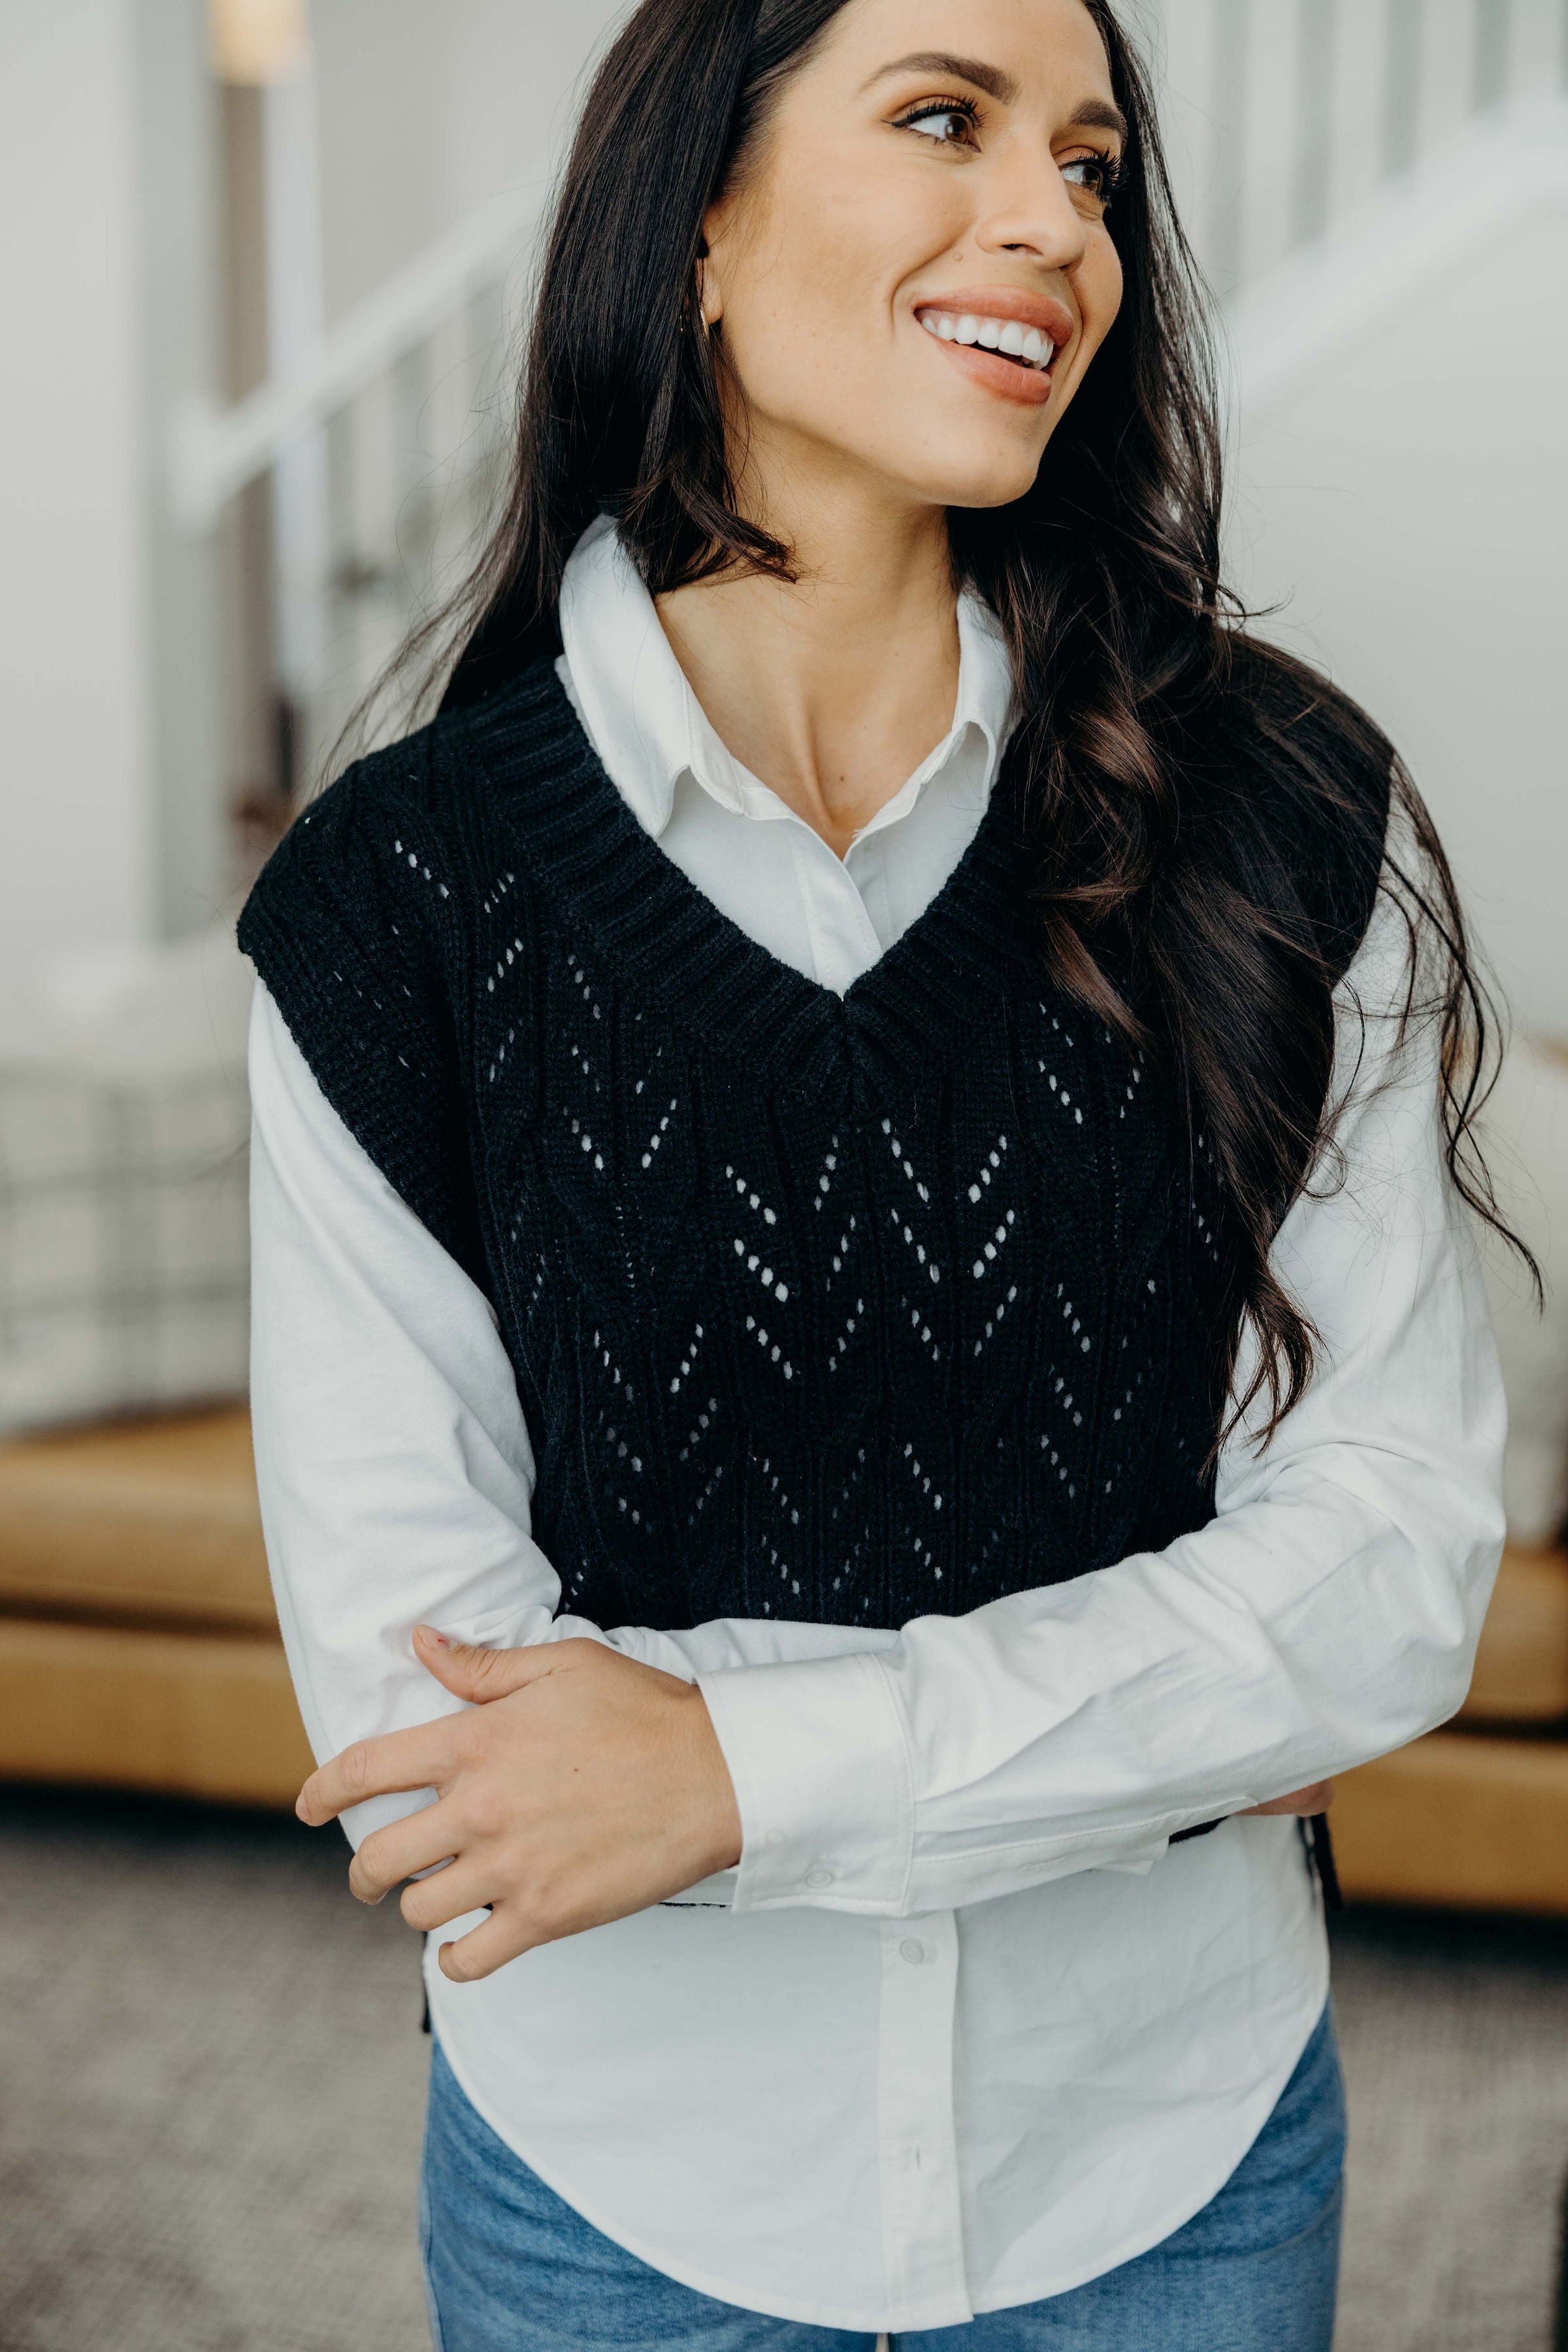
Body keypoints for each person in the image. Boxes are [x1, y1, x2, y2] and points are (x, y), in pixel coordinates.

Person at [237, 2, 1515, 2345]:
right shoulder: (395, 906)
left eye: (1093, 165)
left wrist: (729, 1769)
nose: (1059, 223)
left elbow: (1390, 1566)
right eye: (946, 119)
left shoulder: (1274, 816)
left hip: (1172, 2152)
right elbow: (441, 1736)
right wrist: (1144, 1724)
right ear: (699, 222)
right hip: (621, 2188)